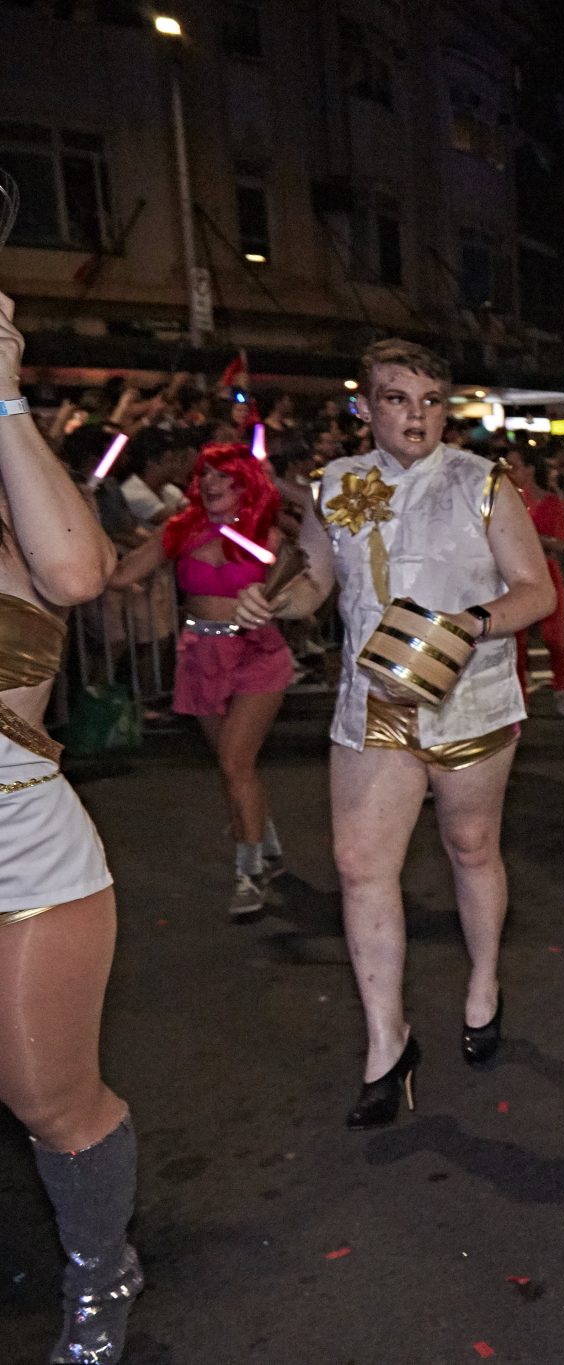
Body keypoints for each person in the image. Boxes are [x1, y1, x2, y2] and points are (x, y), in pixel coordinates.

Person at [239, 339, 554, 1126]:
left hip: (469, 698)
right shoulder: (336, 484)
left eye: (429, 400)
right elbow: (316, 579)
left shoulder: (480, 481)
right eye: (395, 398)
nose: (414, 415)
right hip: (372, 700)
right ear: (364, 405)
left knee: (471, 847)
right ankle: (388, 1041)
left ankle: (483, 981)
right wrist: (276, 600)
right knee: (357, 863)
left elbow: (536, 592)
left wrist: (467, 625)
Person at [0, 292, 142, 1363]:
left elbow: (80, 576)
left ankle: (102, 1270)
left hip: (21, 859)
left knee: (49, 1097)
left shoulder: (15, 525)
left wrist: (1, 395)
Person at [108, 442, 293, 918]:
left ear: (244, 483)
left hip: (257, 655)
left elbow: (306, 582)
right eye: (206, 473)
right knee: (234, 765)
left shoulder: (268, 535)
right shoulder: (180, 530)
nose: (211, 482)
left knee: (235, 761)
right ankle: (264, 842)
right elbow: (121, 575)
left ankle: (249, 872)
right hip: (202, 657)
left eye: (224, 476)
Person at [507, 448, 564, 718]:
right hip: (515, 573)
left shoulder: (550, 502)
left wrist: (531, 535)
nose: (510, 473)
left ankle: (562, 688)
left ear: (530, 469)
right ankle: (520, 697)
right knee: (518, 642)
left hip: (545, 571)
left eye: (515, 467)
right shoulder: (507, 501)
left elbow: (561, 543)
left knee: (554, 638)